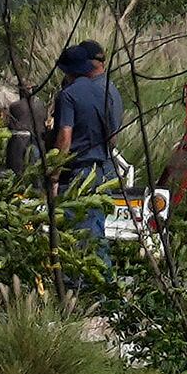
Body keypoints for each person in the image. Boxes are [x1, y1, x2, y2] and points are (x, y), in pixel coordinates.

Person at [52, 43, 122, 241]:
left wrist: (54, 176)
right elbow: (113, 137)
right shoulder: (104, 93)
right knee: (96, 235)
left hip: (76, 172)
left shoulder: (67, 96)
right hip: (99, 171)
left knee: (73, 235)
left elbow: (65, 136)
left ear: (67, 71)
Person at [4, 83, 49, 175]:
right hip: (38, 140)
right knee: (35, 172)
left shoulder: (15, 106)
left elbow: (9, 125)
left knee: (16, 172)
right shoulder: (41, 105)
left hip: (19, 142)